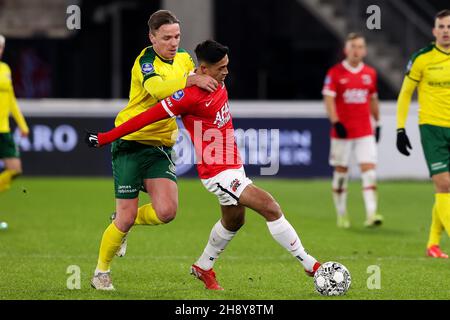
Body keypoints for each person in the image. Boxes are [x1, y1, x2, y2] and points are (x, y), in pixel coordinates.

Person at [86, 40, 321, 290]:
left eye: (227, 66)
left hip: (234, 166)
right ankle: (312, 265)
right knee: (270, 207)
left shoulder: (216, 81)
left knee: (234, 221)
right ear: (205, 70)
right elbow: (145, 117)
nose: (226, 71)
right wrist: (105, 138)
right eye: (221, 67)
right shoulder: (186, 97)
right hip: (217, 173)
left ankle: (203, 267)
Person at [90, 10, 218, 290]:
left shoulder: (184, 58)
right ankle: (101, 272)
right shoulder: (145, 62)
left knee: (167, 211)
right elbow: (160, 90)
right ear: (152, 37)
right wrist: (191, 80)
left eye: (177, 36)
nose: (173, 43)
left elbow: (193, 91)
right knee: (125, 217)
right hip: (130, 142)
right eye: (167, 38)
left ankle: (124, 222)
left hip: (160, 146)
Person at [396, 9, 450, 259]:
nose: (446, 31)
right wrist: (400, 128)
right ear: (434, 31)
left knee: (446, 191)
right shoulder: (422, 58)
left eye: (449, 26)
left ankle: (432, 244)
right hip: (432, 128)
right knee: (443, 184)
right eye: (441, 26)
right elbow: (406, 93)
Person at [322, 32, 383, 229]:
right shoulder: (335, 73)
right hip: (343, 132)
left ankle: (372, 214)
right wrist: (336, 122)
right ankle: (342, 214)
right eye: (352, 47)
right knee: (341, 172)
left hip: (364, 130)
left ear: (364, 50)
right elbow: (329, 99)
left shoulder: (370, 73)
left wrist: (378, 122)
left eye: (359, 47)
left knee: (370, 172)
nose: (356, 50)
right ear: (346, 50)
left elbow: (373, 99)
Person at [0, 34, 29, 228]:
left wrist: (22, 124)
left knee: (15, 169)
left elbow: (11, 100)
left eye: (1, 47)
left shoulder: (5, 69)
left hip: (4, 129)